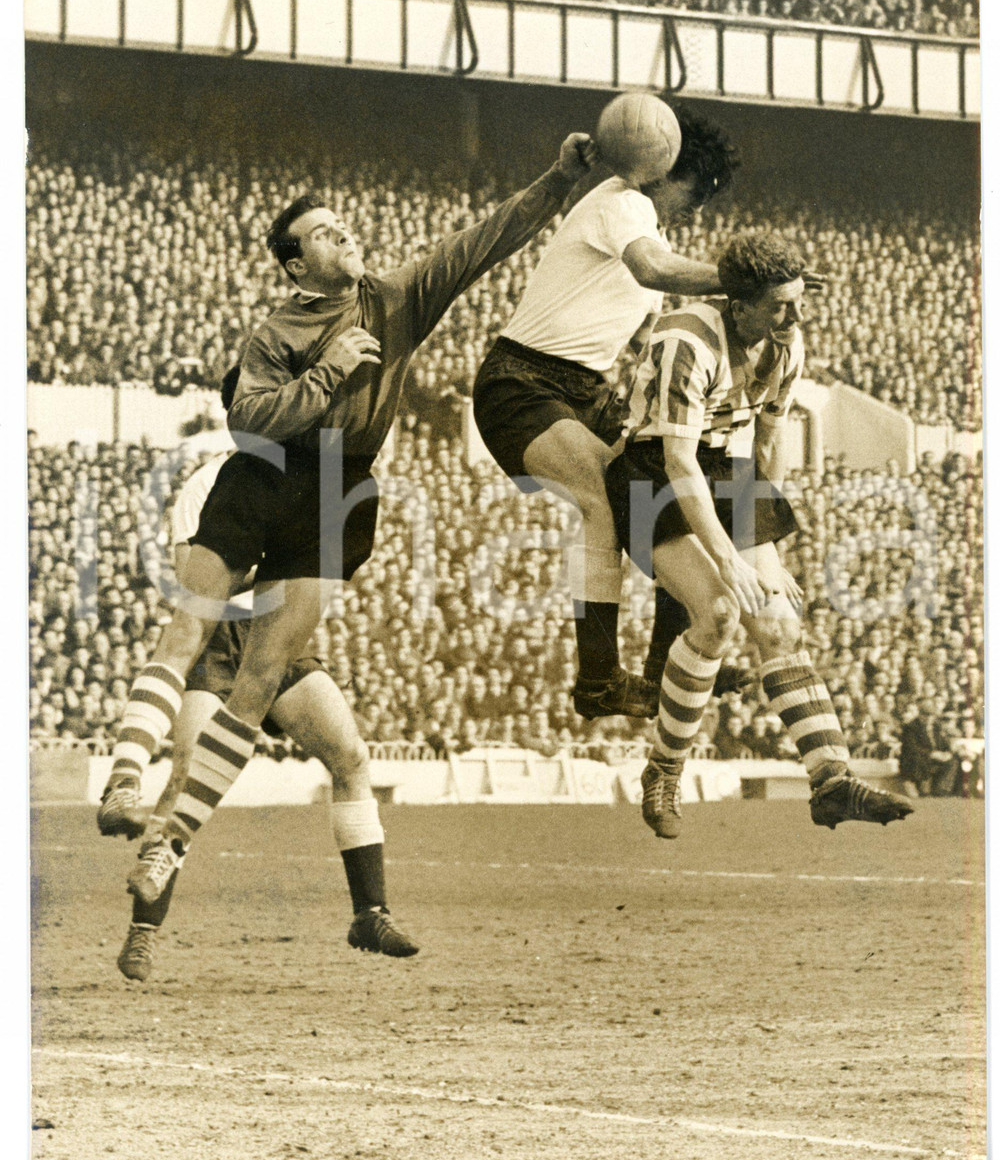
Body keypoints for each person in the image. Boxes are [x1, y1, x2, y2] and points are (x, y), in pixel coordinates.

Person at [98, 131, 596, 903]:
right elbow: (252, 423)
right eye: (325, 232)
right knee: (188, 625)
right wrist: (330, 375)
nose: (346, 233)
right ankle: (125, 778)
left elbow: (481, 242)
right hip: (265, 476)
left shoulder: (395, 298)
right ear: (297, 265)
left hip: (341, 490)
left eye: (344, 224)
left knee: (262, 679)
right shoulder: (274, 333)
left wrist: (559, 180)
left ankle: (168, 843)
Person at [603, 230, 914, 837]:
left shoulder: (785, 345)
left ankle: (831, 780)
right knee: (719, 612)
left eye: (798, 302)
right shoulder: (685, 340)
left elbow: (767, 442)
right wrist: (730, 561)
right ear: (737, 305)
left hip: (727, 470)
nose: (795, 316)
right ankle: (664, 769)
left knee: (777, 622)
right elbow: (677, 463)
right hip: (650, 474)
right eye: (781, 305)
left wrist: (765, 550)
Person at [117, 368, 418, 981]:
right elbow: (194, 581)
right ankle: (144, 931)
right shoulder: (213, 482)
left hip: (278, 640)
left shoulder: (310, 481)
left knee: (351, 756)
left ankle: (370, 912)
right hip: (222, 642)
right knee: (186, 777)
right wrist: (280, 567)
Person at [473, 104, 746, 722]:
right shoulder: (625, 203)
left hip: (584, 390)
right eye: (696, 192)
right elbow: (653, 269)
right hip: (521, 381)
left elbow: (650, 331)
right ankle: (596, 680)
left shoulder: (644, 228)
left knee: (663, 487)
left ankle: (662, 664)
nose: (697, 209)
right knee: (603, 496)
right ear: (667, 170)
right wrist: (745, 280)